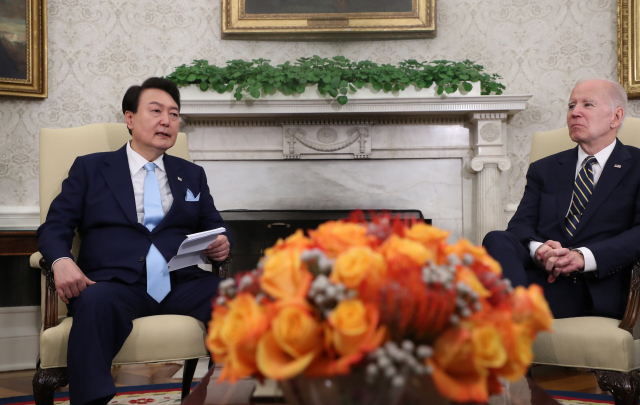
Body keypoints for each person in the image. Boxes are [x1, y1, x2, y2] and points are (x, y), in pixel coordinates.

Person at [36, 77, 232, 405]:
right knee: (95, 303)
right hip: (114, 284)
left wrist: (223, 242)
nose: (166, 120)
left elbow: (215, 225)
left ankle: (228, 393)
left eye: (173, 114)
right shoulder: (91, 168)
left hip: (178, 281)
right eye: (156, 111)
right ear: (130, 118)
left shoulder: (191, 174)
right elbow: (55, 226)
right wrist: (61, 260)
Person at [483, 78, 640, 320]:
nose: (575, 112)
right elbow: (519, 227)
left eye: (587, 104)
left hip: (592, 286)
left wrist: (581, 257)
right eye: (571, 106)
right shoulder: (544, 168)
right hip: (540, 279)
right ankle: (514, 316)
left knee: (475, 302)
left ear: (616, 117)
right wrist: (541, 250)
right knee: (496, 238)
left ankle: (508, 318)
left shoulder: (636, 165)